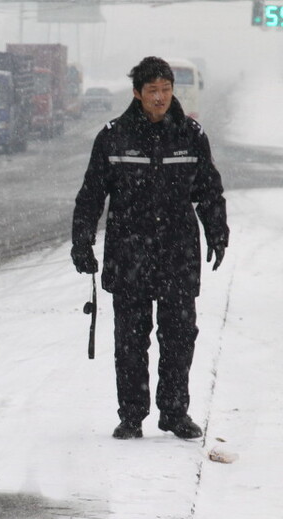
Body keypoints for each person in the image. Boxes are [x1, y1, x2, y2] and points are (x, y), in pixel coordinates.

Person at [71, 56, 228, 441]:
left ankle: (174, 413)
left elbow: (209, 190)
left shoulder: (191, 135)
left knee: (178, 337)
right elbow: (92, 193)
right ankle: (132, 415)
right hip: (129, 253)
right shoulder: (113, 137)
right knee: (130, 339)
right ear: (137, 94)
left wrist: (217, 232)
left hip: (178, 254)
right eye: (152, 91)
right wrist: (82, 239)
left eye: (166, 89)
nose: (160, 98)